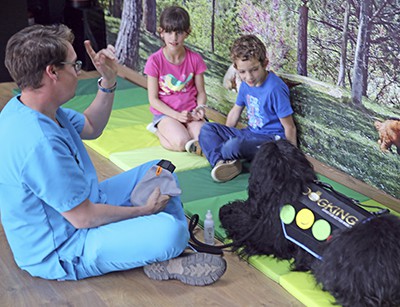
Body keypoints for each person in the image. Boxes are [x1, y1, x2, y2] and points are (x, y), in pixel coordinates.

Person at [0, 24, 226, 285]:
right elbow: (83, 217)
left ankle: (153, 247)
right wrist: (142, 211)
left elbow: (91, 126)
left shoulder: (30, 107)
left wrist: (108, 81)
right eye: (75, 65)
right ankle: (164, 247)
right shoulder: (39, 142)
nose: (79, 71)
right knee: (171, 232)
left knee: (159, 170)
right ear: (52, 72)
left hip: (85, 203)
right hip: (65, 247)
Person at [193, 35, 297, 182]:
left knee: (233, 146)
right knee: (207, 129)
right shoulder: (246, 84)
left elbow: (289, 127)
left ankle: (215, 151)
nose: (249, 77)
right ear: (236, 69)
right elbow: (236, 111)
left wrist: (291, 160)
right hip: (250, 134)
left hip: (271, 143)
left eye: (254, 70)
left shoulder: (275, 88)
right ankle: (221, 163)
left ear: (265, 63)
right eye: (242, 72)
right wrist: (225, 134)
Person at [144, 5, 207, 152]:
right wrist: (176, 116)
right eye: (169, 32)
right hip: (167, 114)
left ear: (187, 32)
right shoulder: (154, 61)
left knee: (204, 139)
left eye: (178, 32)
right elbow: (153, 99)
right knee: (181, 143)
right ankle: (158, 130)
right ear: (161, 32)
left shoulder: (195, 59)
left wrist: (200, 108)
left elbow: (201, 92)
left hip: (191, 113)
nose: (174, 38)